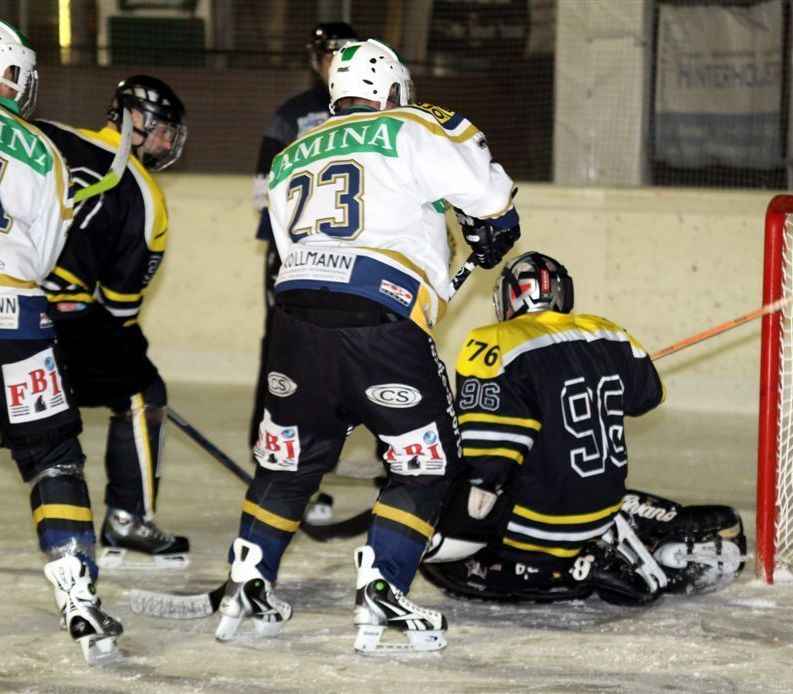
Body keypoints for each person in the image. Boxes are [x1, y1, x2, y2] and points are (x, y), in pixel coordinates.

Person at [214, 38, 520, 654]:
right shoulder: (411, 123)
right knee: (424, 462)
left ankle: (249, 579)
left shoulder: (294, 150)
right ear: (391, 87)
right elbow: (490, 197)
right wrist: (495, 227)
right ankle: (383, 584)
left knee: (288, 461)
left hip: (294, 324)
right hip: (379, 324)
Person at [420, 252, 746, 604]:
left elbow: (488, 461)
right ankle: (599, 542)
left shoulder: (493, 340)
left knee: (434, 500)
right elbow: (648, 397)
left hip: (534, 525)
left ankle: (556, 561)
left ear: (506, 298)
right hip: (601, 507)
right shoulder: (608, 333)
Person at [0, 19, 121, 664]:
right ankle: (77, 595)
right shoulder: (40, 149)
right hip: (16, 317)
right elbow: (45, 254)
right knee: (53, 460)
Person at [37, 75, 189, 569]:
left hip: (9, 300)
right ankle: (129, 518)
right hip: (60, 316)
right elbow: (120, 308)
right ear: (136, 120)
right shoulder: (144, 193)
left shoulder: (47, 135)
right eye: (165, 130)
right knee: (143, 391)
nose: (168, 143)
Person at [248, 21, 358, 451]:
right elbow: (262, 189)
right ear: (315, 61)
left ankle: (381, 454)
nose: (336, 63)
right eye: (329, 54)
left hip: (359, 256)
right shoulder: (293, 114)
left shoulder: (379, 114)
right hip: (295, 253)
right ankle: (270, 445)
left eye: (345, 53)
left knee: (364, 345)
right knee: (285, 343)